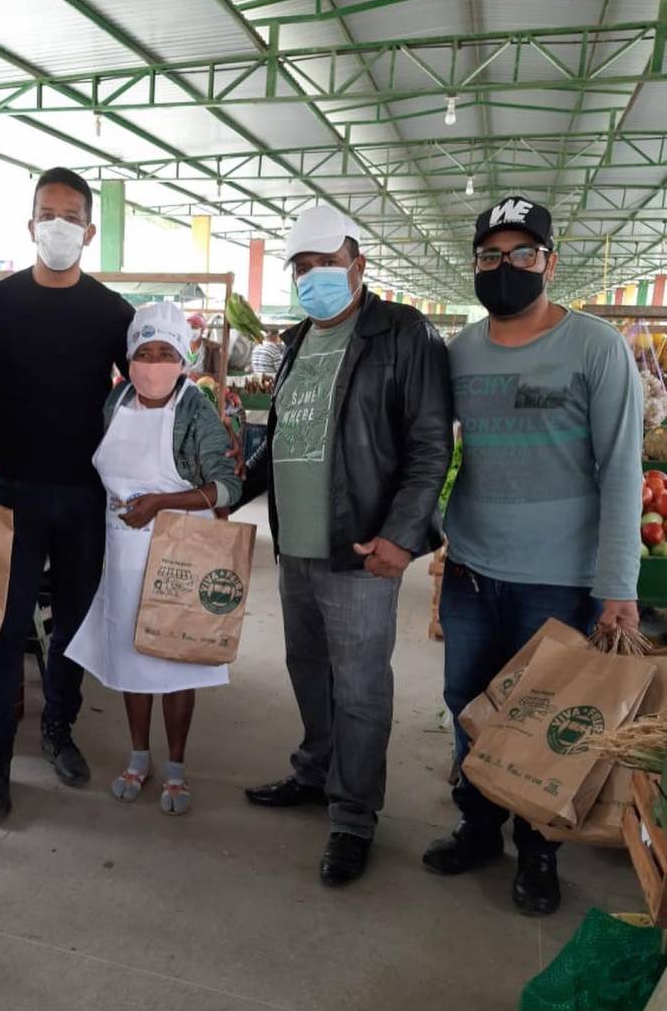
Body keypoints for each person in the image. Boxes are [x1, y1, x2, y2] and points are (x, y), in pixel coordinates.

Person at [422, 197, 642, 916]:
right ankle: (478, 826)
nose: (505, 267)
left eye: (522, 254)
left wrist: (617, 586)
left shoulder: (595, 347)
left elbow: (619, 471)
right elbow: (431, 452)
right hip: (472, 569)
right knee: (468, 709)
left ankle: (538, 848)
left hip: (558, 579)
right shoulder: (460, 351)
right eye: (490, 256)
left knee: (542, 718)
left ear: (550, 261)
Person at [241, 204, 452, 887]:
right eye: (301, 267)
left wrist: (402, 536)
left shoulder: (401, 334)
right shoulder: (299, 338)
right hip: (296, 546)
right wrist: (227, 493)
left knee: (360, 687)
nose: (313, 277)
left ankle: (354, 815)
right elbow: (284, 442)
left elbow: (428, 448)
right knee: (307, 667)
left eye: (326, 264)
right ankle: (315, 771)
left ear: (357, 266)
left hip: (360, 548)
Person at [0, 167, 134, 824]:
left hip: (89, 496)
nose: (57, 226)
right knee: (4, 633)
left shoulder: (111, 313)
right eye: (46, 213)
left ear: (89, 230)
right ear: (29, 224)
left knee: (73, 624)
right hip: (17, 491)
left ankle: (60, 730)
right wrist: (16, 435)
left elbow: (144, 390)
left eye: (70, 216)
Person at [66, 303, 242, 813]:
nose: (153, 362)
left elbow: (227, 485)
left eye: (165, 352)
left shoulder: (195, 409)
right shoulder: (116, 402)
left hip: (178, 551)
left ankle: (177, 768)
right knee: (130, 659)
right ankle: (139, 756)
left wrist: (162, 501)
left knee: (174, 661)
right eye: (144, 352)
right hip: (123, 552)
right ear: (129, 359)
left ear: (183, 358)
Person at [186, 312, 222, 378]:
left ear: (202, 329)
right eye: (188, 327)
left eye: (194, 327)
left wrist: (199, 376)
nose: (190, 330)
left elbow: (219, 376)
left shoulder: (212, 348)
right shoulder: (182, 346)